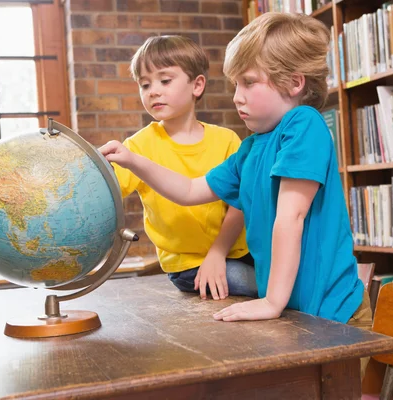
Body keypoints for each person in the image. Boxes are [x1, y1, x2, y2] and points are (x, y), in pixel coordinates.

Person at [101, 13, 372, 372]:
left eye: (248, 83)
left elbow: (291, 216)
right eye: (234, 85)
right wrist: (134, 161)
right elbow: (189, 189)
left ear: (293, 82)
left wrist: (271, 302)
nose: (236, 97)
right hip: (297, 316)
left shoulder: (304, 124)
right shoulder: (251, 148)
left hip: (335, 316)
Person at [101, 35, 257, 301]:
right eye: (144, 84)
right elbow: (106, 191)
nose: (153, 91)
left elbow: (240, 203)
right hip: (188, 266)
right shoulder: (136, 147)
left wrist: (218, 252)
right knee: (259, 286)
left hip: (238, 250)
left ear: (197, 85)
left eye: (165, 80)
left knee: (290, 277)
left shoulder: (227, 140)